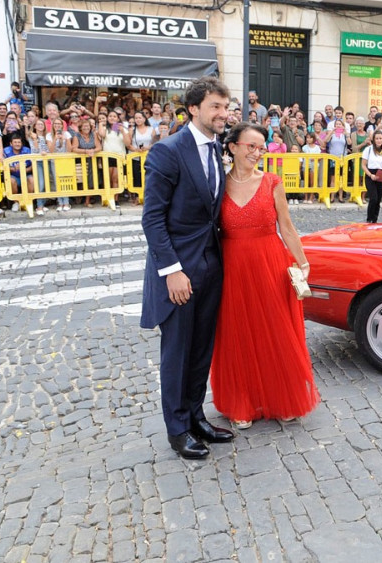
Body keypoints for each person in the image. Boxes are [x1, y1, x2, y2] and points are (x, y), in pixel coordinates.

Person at [141, 76, 235, 460]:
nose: (223, 114)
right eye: (215, 106)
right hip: (179, 269)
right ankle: (177, 429)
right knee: (178, 351)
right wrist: (171, 271)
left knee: (201, 349)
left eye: (226, 107)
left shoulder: (216, 149)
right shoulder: (168, 151)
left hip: (211, 265)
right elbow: (153, 219)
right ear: (193, 109)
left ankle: (196, 416)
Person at [209, 122, 318, 427]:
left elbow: (286, 226)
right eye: (251, 147)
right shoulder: (217, 183)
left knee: (275, 330)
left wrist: (303, 263)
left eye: (261, 148)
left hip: (270, 263)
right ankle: (243, 401)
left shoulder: (272, 182)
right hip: (233, 266)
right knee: (238, 332)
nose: (257, 153)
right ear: (232, 147)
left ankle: (280, 397)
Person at [362, 130, 382, 223]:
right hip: (370, 174)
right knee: (373, 198)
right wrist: (370, 175)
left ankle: (375, 219)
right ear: (374, 139)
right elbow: (363, 165)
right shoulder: (368, 149)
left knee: (378, 199)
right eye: (377, 138)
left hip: (380, 175)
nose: (379, 140)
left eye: (380, 138)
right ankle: (369, 219)